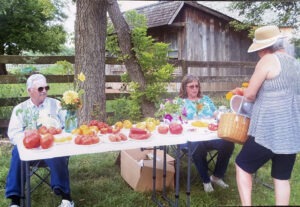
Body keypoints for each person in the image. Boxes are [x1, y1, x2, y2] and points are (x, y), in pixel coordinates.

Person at [235, 25, 300, 206]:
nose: (258, 54)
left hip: (268, 130)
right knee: (281, 178)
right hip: (291, 131)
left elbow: (250, 94)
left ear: (265, 48)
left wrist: (244, 91)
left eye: (258, 50)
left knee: (242, 165)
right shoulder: (296, 63)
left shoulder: (268, 60)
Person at [5, 74, 74, 207]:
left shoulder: (57, 104)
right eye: (40, 88)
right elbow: (13, 134)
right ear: (29, 90)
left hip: (53, 146)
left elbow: (69, 127)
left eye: (46, 87)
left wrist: (57, 136)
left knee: (57, 151)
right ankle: (15, 201)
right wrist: (30, 139)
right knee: (17, 152)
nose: (44, 91)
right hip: (30, 150)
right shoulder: (20, 109)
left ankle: (66, 199)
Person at [178, 74, 235, 192]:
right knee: (197, 146)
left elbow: (216, 114)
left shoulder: (206, 99)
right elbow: (178, 121)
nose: (194, 89)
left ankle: (216, 177)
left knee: (228, 143)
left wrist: (222, 115)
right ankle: (206, 180)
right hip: (191, 138)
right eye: (191, 86)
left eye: (196, 86)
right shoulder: (180, 102)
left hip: (210, 135)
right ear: (184, 88)